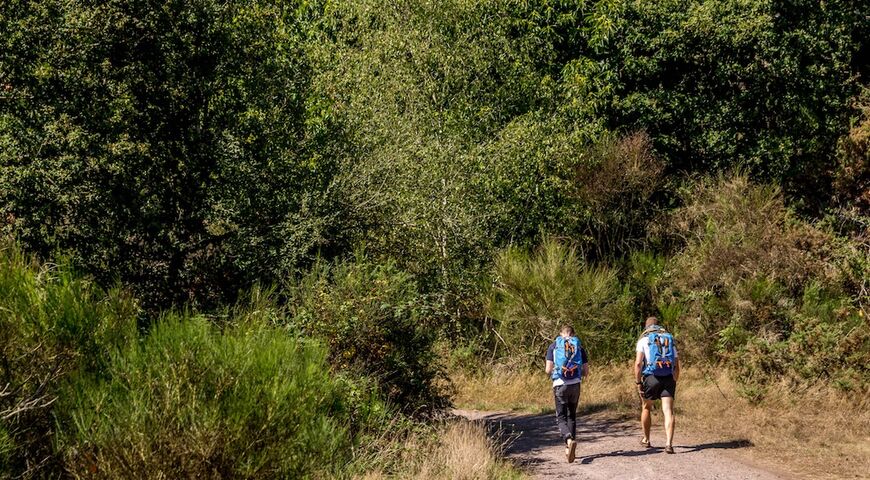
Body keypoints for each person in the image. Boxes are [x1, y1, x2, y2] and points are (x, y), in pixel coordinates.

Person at [634, 316, 680, 454]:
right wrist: (674, 379)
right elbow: (677, 364)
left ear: (646, 327)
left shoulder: (644, 340)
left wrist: (638, 382)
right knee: (668, 411)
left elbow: (638, 364)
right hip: (668, 377)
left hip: (651, 377)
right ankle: (669, 444)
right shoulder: (669, 339)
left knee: (646, 407)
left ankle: (646, 439)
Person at [545, 325, 589, 463]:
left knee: (561, 416)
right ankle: (570, 448)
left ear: (560, 333)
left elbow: (548, 369)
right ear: (573, 333)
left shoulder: (554, 346)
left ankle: (569, 441)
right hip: (575, 384)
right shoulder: (579, 347)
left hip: (559, 384)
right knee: (572, 415)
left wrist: (557, 372)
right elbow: (586, 371)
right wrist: (575, 373)